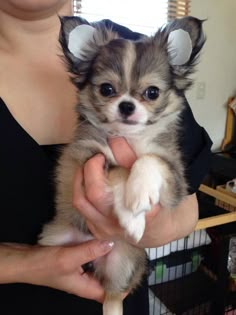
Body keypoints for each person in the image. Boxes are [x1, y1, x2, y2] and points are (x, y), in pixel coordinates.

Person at [0, 0, 212, 314]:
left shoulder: (143, 49)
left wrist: (152, 221)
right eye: (108, 89)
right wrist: (25, 264)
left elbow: (185, 209)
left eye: (150, 93)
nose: (129, 103)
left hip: (119, 287)